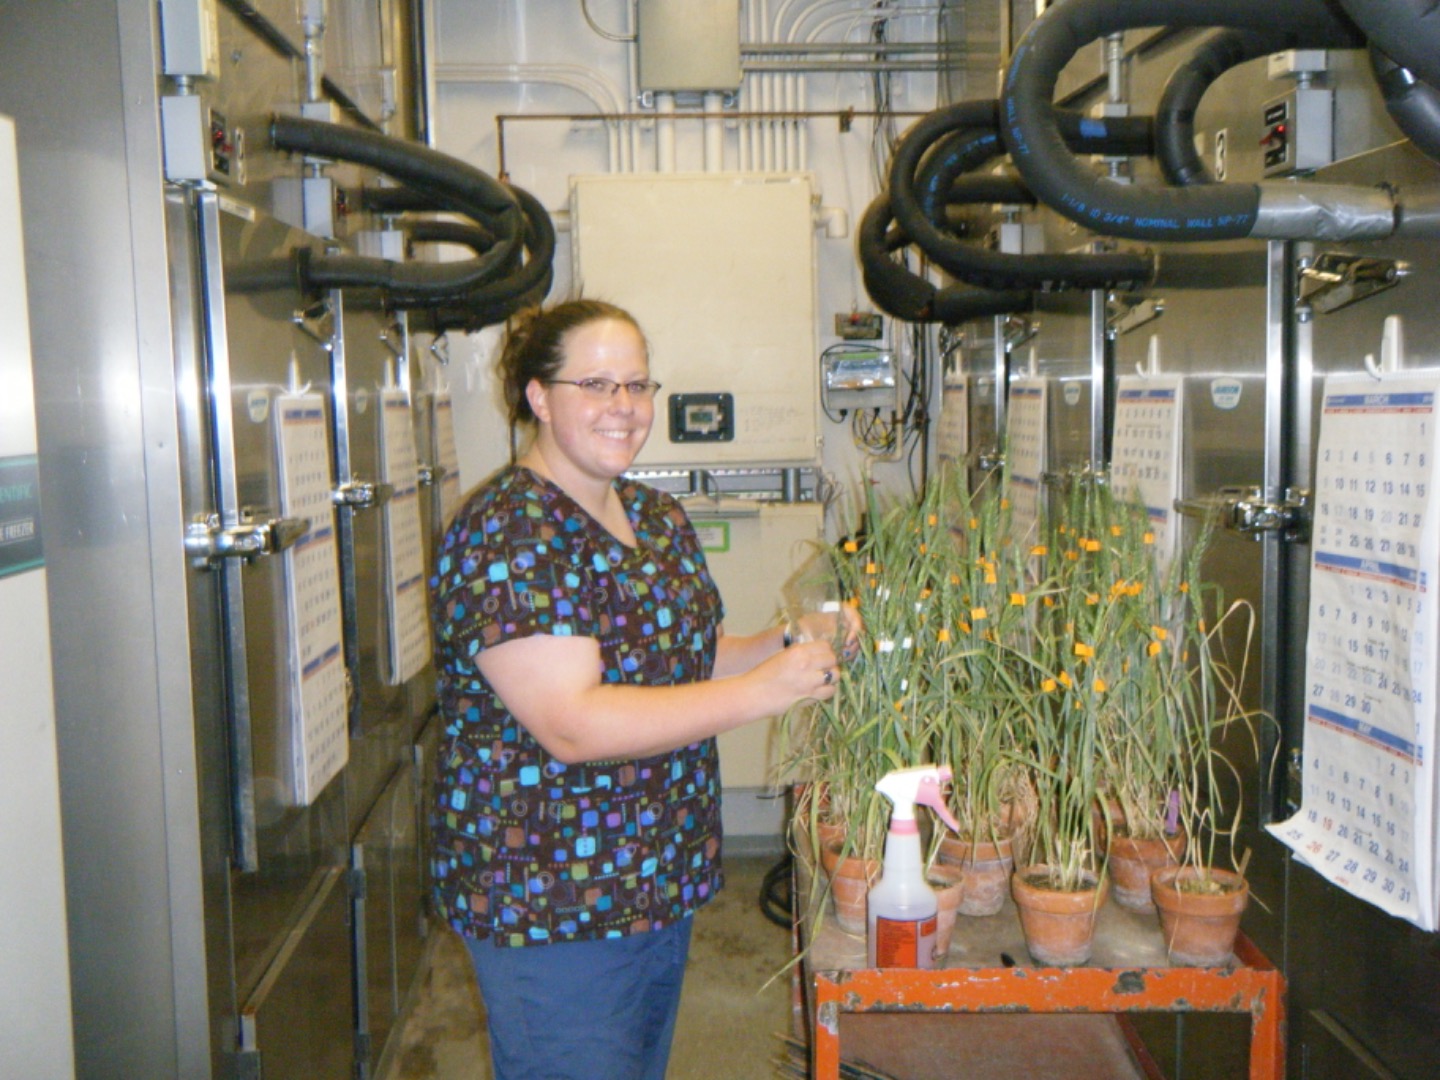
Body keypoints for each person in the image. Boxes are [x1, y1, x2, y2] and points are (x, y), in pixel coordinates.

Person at [429, 298, 859, 1080]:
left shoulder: (655, 515)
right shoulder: (508, 531)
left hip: (657, 877)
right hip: (554, 899)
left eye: (638, 386)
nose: (623, 408)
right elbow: (572, 723)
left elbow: (688, 657)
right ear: (538, 395)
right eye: (596, 385)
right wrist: (767, 690)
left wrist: (791, 643)